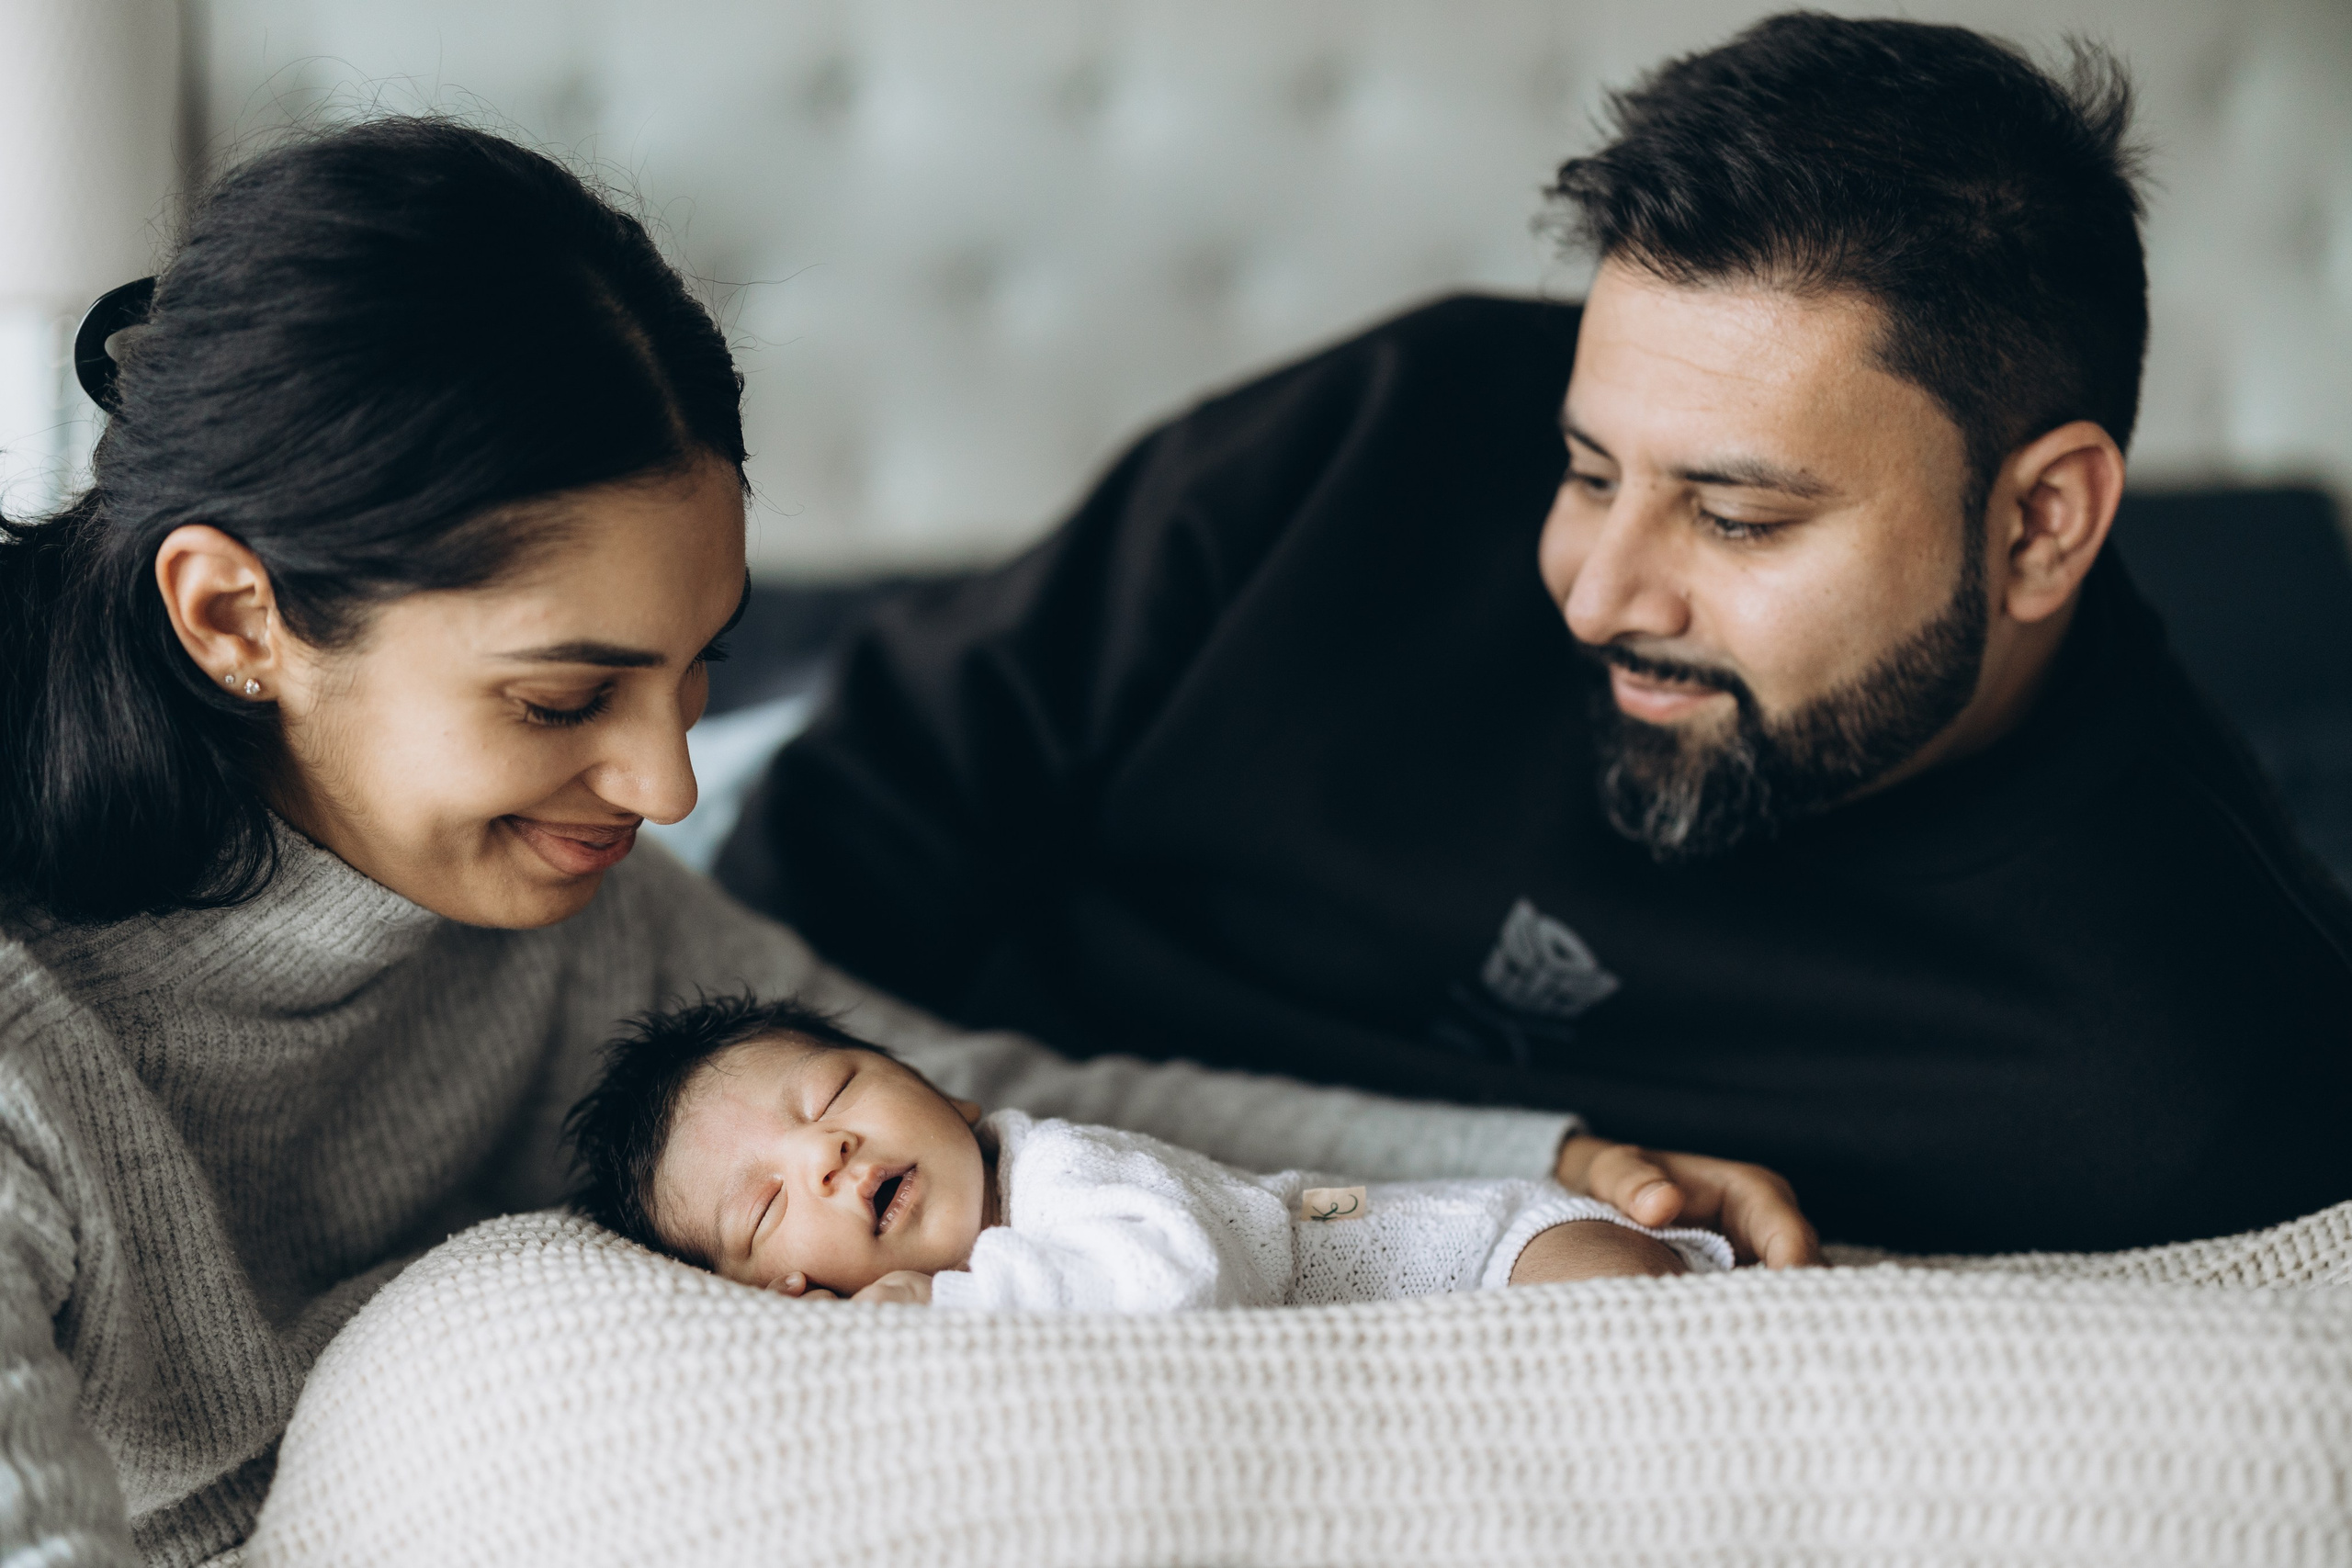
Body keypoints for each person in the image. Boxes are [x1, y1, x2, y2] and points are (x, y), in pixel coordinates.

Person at [0, 119, 1809, 1566]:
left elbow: (992, 1101)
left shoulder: (581, 910)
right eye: (566, 698)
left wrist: (1556, 1152)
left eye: (699, 675)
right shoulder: (33, 1047)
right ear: (235, 618)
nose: (662, 790)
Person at [720, 13, 2352, 1258]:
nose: (1592, 591)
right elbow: (824, 850)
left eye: (1739, 516)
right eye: (1587, 469)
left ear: (2042, 521)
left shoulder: (2186, 1082)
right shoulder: (1394, 429)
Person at [565, 995, 1734, 1310]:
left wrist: (947, 1311)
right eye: (766, 1204)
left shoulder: (1064, 1173)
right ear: (783, 1288)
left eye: (834, 1094)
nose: (825, 1152)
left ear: (947, 1094)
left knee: (1620, 1305)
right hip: (1362, 1278)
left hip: (1463, 1250)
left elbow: (1171, 1279)